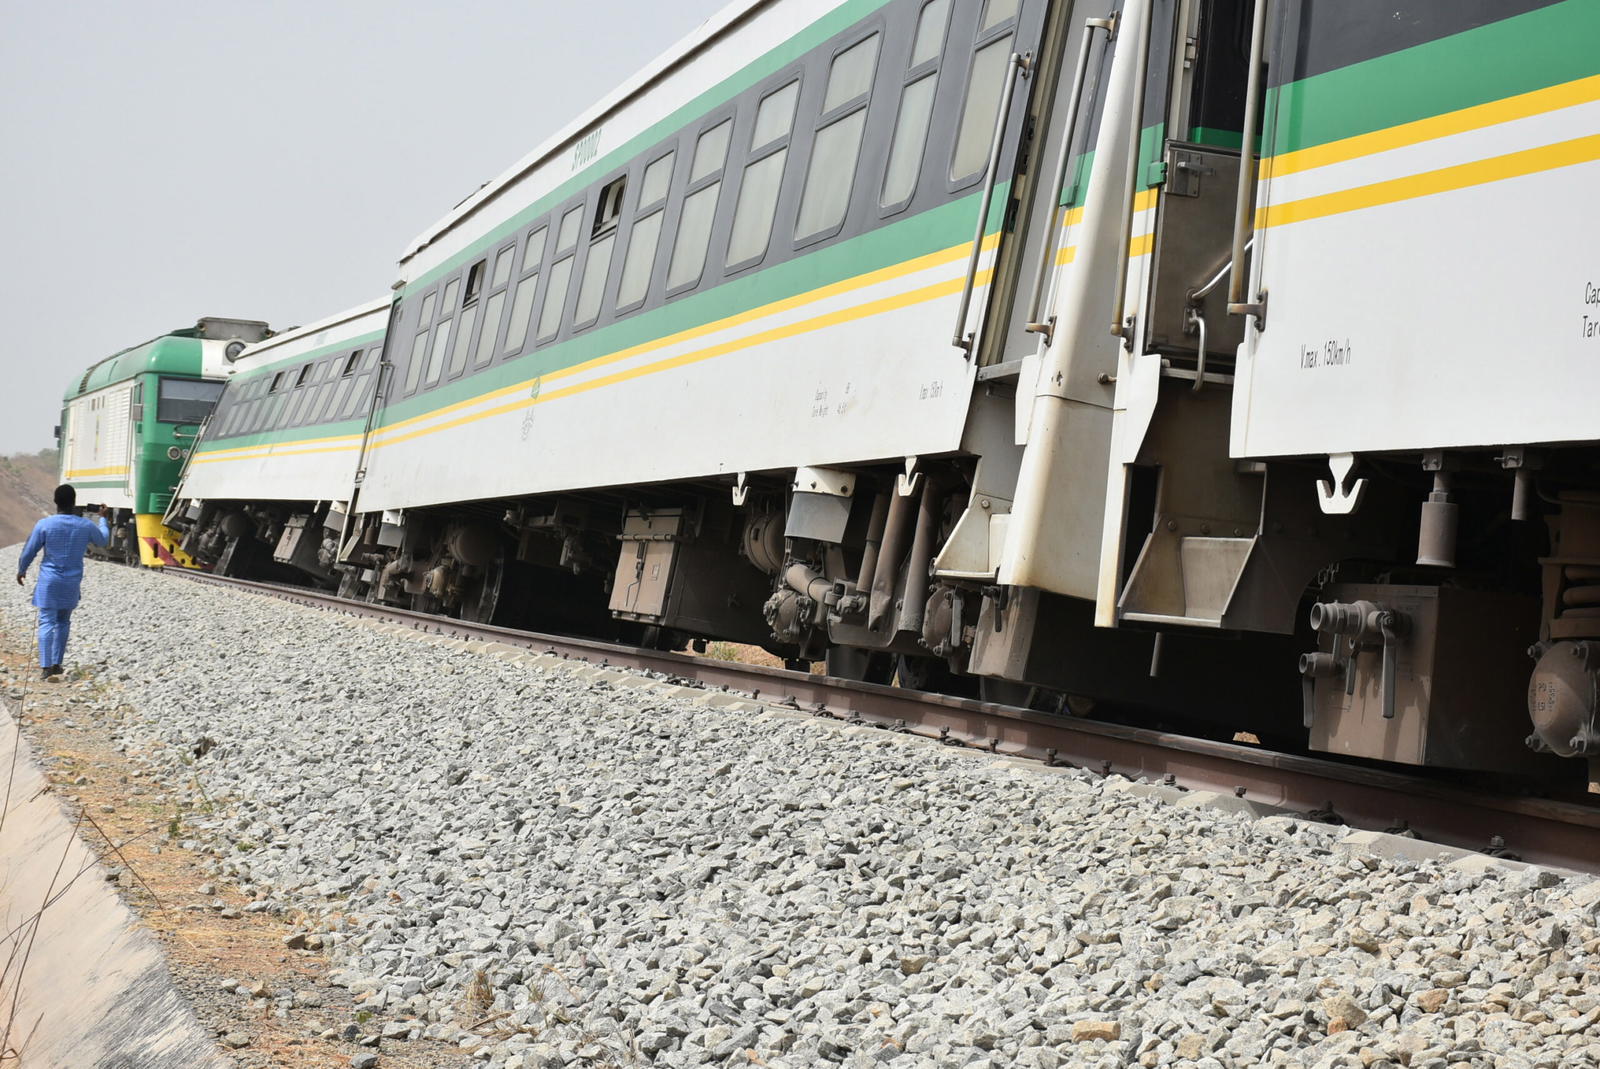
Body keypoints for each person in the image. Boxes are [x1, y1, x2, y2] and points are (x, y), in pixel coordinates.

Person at [15, 485, 110, 681]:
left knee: (46, 621)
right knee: (63, 621)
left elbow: (30, 550)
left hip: (49, 581)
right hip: (72, 581)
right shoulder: (85, 525)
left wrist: (22, 569)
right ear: (74, 502)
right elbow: (102, 540)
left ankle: (45, 667)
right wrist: (103, 518)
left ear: (55, 502)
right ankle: (58, 664)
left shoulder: (44, 524)